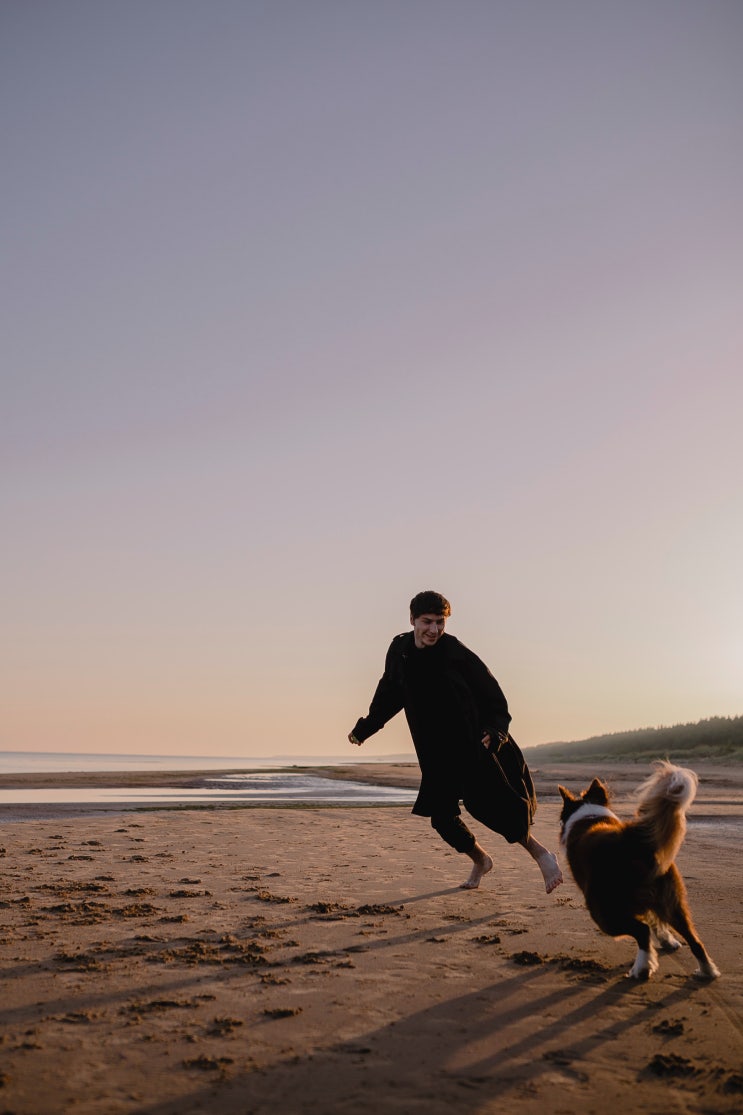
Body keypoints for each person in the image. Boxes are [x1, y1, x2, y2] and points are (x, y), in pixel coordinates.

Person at [349, 590, 563, 894]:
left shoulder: (454, 652)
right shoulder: (400, 650)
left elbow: (493, 694)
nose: (434, 630)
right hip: (434, 751)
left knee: (490, 807)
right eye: (427, 622)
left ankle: (542, 855)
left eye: (440, 622)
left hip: (471, 742)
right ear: (412, 620)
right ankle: (481, 860)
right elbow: (389, 692)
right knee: (442, 820)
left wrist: (496, 729)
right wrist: (365, 729)